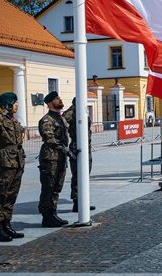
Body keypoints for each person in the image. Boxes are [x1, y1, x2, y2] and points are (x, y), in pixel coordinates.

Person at [0, 93, 26, 242]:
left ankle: (6, 224)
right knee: (0, 194)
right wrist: (3, 111)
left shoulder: (13, 120)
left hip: (16, 161)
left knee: (11, 194)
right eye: (14, 103)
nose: (17, 105)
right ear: (8, 104)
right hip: (3, 161)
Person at [38, 91, 70, 227]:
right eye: (57, 99)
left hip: (60, 158)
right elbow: (49, 139)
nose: (60, 100)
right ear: (50, 103)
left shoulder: (60, 118)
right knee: (48, 187)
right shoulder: (47, 120)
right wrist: (65, 149)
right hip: (50, 158)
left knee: (57, 187)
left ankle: (53, 213)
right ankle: (46, 216)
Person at [62, 97, 95, 213]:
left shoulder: (82, 110)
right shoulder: (71, 112)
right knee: (78, 176)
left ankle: (83, 201)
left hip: (86, 147)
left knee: (85, 175)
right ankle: (77, 203)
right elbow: (62, 124)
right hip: (77, 147)